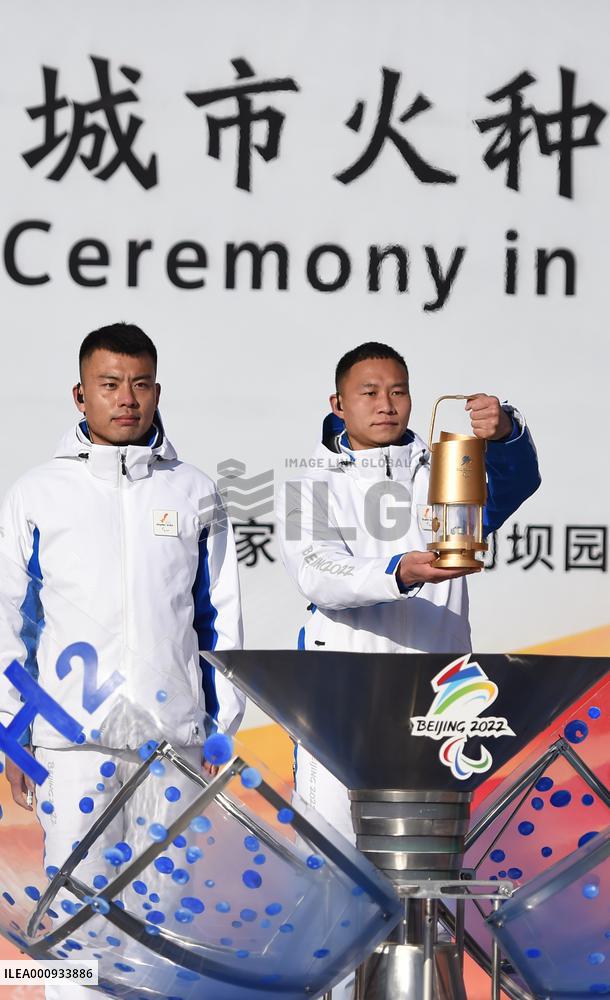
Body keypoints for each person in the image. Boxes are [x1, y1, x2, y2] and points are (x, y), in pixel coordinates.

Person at [0, 323, 244, 996]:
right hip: (71, 745)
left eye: (139, 384)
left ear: (157, 390)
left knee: (166, 911)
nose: (125, 399)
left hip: (173, 744)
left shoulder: (193, 492)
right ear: (80, 395)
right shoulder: (36, 494)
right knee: (75, 909)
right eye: (109, 385)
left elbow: (217, 618)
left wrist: (222, 726)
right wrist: (15, 736)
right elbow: (9, 622)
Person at [277, 340, 540, 829]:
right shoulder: (309, 480)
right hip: (342, 684)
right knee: (332, 847)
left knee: (428, 843)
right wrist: (399, 572)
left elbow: (515, 483)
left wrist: (504, 434)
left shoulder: (446, 470)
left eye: (398, 392)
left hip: (437, 682)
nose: (386, 405)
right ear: (338, 404)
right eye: (369, 392)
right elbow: (315, 570)